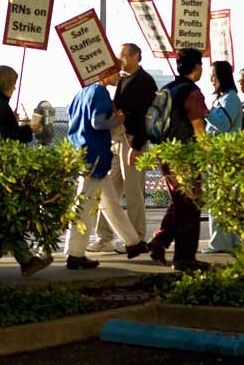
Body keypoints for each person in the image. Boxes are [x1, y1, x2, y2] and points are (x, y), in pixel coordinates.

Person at [0, 65, 50, 277]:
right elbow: (5, 139)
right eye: (13, 83)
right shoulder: (0, 107)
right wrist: (28, 130)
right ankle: (23, 259)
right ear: (7, 84)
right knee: (2, 218)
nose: (15, 88)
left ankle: (21, 260)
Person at [64, 71, 149, 269]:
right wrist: (118, 120)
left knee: (109, 202)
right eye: (114, 72)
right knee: (84, 205)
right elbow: (98, 122)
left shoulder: (82, 92)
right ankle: (75, 253)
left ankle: (133, 243)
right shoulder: (100, 92)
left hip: (83, 151)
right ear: (104, 73)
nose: (118, 77)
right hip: (95, 154)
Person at [89, 43, 157, 252]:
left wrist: (137, 146)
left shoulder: (145, 81)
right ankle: (104, 236)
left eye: (123, 56)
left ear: (136, 56)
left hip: (133, 141)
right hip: (117, 141)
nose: (119, 60)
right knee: (110, 190)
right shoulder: (122, 80)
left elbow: (147, 117)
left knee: (133, 190)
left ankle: (137, 237)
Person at [147, 48, 210, 273]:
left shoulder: (167, 90)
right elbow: (198, 128)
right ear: (197, 67)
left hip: (167, 154)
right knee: (191, 206)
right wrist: (210, 155)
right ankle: (184, 259)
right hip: (185, 156)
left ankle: (160, 241)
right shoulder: (192, 92)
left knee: (180, 202)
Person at [204, 60, 243, 253]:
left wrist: (205, 112)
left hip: (225, 157)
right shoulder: (222, 99)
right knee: (225, 201)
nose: (211, 80)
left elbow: (222, 124)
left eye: (214, 76)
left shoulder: (231, 99)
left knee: (220, 201)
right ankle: (231, 241)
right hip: (218, 156)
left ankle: (220, 243)